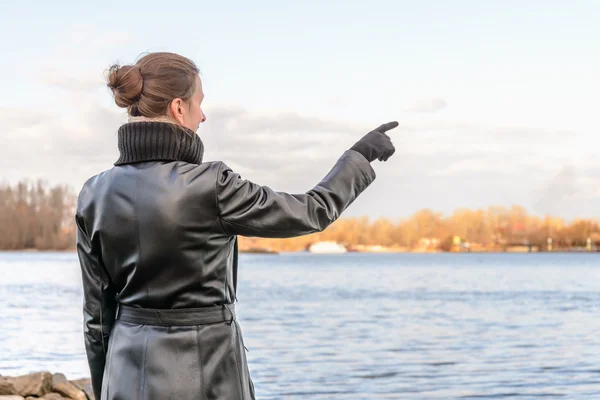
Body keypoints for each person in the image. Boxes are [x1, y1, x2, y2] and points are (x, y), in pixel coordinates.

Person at [75, 51, 398, 400]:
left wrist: (103, 385)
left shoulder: (94, 193)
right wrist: (359, 156)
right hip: (207, 372)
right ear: (179, 108)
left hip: (125, 372)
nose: (204, 116)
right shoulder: (211, 185)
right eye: (200, 103)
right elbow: (311, 211)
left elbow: (97, 318)